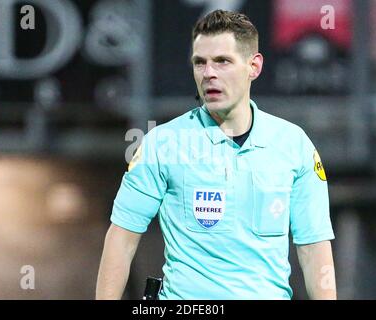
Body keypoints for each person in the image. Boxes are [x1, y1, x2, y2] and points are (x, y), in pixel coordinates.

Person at [96, 9, 336, 300]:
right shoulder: (162, 144)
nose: (209, 73)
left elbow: (313, 246)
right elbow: (122, 238)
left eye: (222, 61)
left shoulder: (293, 144)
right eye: (200, 62)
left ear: (254, 66)